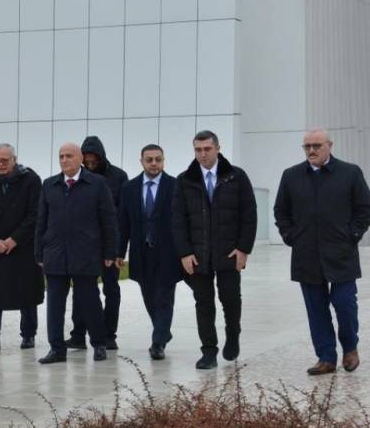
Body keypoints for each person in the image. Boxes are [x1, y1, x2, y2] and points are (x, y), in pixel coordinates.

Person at [274, 128, 370, 375]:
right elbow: (281, 211)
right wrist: (290, 235)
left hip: (341, 253)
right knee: (316, 309)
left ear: (330, 145)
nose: (312, 150)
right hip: (306, 254)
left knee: (345, 304)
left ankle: (350, 347)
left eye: (317, 145)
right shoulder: (291, 175)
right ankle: (326, 357)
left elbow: (364, 208)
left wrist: (353, 235)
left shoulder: (350, 173)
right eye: (307, 146)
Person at [172, 130, 257, 370]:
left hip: (228, 252)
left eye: (207, 149)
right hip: (198, 255)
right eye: (198, 150)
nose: (202, 154)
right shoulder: (184, 180)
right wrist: (184, 252)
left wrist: (243, 249)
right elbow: (177, 220)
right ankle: (208, 350)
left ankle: (233, 336)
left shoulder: (236, 177)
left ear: (218, 148)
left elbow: (249, 215)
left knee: (230, 299)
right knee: (203, 303)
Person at [35, 143, 118, 363]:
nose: (64, 160)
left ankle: (99, 344)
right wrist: (39, 254)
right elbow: (41, 222)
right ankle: (56, 348)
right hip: (55, 254)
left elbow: (108, 220)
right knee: (54, 305)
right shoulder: (49, 185)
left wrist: (111, 251)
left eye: (69, 156)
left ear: (80, 158)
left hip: (86, 253)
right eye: (61, 156)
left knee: (89, 302)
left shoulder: (97, 184)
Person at [0, 144, 44, 351]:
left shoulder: (30, 180)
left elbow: (34, 214)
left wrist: (14, 240)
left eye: (5, 160)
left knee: (26, 292)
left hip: (23, 246)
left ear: (14, 159)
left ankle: (28, 335)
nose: (1, 164)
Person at [117, 144, 182, 360]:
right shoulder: (129, 188)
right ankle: (163, 331)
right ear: (142, 161)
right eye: (149, 160)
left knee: (164, 297)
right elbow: (123, 222)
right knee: (149, 297)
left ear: (164, 160)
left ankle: (158, 342)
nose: (154, 163)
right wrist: (119, 251)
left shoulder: (175, 186)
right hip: (141, 252)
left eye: (158, 159)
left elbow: (183, 221)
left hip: (168, 253)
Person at [66, 136, 128, 350]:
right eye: (87, 161)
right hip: (84, 245)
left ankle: (109, 334)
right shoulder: (79, 177)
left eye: (95, 161)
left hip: (108, 244)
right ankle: (78, 334)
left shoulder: (119, 177)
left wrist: (118, 249)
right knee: (81, 290)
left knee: (111, 289)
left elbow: (122, 215)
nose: (91, 165)